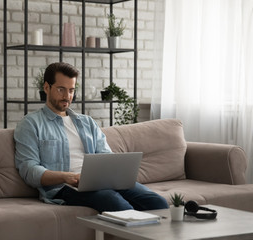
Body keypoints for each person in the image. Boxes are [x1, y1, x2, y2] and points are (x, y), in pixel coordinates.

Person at [14, 62, 168, 213]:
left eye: (71, 90)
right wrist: (67, 177)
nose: (67, 96)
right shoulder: (30, 124)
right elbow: (29, 170)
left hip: (101, 182)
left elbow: (106, 156)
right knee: (117, 204)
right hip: (63, 188)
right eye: (61, 89)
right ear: (46, 87)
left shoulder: (87, 122)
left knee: (158, 202)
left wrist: (112, 174)